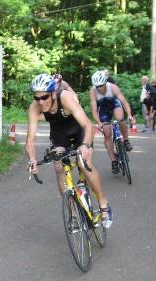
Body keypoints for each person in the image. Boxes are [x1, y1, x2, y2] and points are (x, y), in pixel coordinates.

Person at [26, 73, 112, 228]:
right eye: (37, 98)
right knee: (59, 167)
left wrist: (85, 145)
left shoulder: (65, 97)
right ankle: (73, 214)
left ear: (53, 93)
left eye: (44, 97)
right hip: (59, 134)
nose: (41, 102)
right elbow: (30, 139)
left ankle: (103, 202)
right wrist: (32, 159)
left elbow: (88, 125)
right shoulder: (34, 107)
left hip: (79, 130)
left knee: (84, 163)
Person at [88, 69, 133, 175]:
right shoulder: (93, 92)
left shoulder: (112, 87)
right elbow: (94, 109)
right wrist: (99, 122)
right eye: (97, 86)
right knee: (107, 133)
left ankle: (126, 140)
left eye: (101, 85)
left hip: (114, 104)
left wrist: (129, 115)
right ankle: (113, 161)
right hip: (103, 108)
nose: (99, 88)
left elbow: (124, 102)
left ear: (105, 82)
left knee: (121, 120)